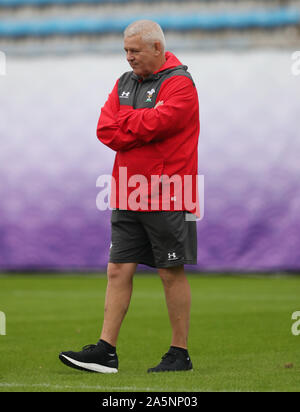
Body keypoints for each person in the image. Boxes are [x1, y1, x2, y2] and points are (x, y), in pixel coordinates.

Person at [59, 20, 200, 374]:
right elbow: (105, 128)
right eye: (125, 50)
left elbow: (160, 124)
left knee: (170, 272)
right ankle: (106, 351)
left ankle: (179, 353)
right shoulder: (123, 82)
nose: (128, 58)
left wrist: (129, 123)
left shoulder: (181, 84)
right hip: (126, 191)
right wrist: (138, 122)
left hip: (169, 192)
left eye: (134, 51)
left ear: (157, 49)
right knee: (118, 269)